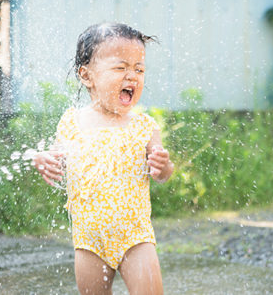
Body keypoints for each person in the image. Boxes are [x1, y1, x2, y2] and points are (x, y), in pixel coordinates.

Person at [33, 22, 174, 295]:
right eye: (121, 68)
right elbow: (58, 161)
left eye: (139, 69)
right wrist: (44, 160)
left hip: (136, 237)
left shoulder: (144, 126)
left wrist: (163, 166)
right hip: (89, 242)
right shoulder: (71, 123)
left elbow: (164, 174)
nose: (132, 76)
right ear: (87, 76)